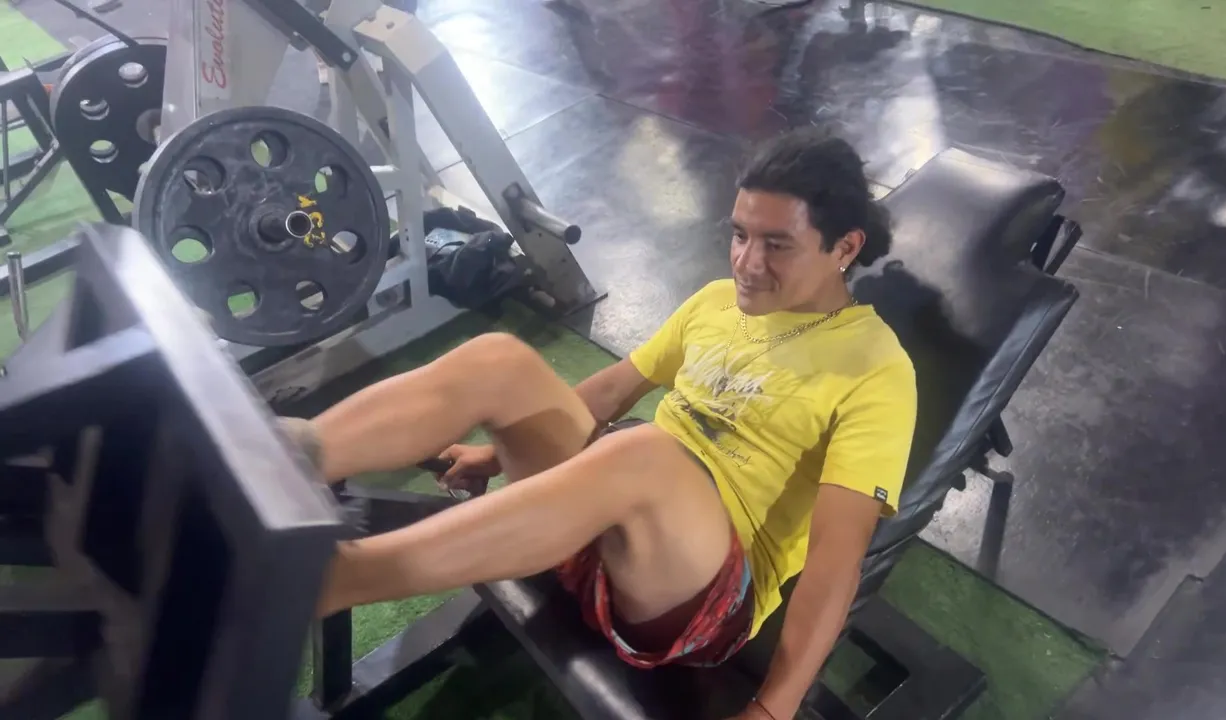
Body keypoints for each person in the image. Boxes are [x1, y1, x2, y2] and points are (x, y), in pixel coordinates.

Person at [281, 128, 917, 720]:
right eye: (740, 235)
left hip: (698, 597)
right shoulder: (718, 303)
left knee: (645, 453)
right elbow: (612, 390)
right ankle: (283, 462)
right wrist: (494, 456)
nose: (747, 263)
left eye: (776, 245)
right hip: (604, 515)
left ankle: (328, 580)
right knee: (498, 361)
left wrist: (774, 710)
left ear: (845, 247)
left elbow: (836, 561)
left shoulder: (877, 370)